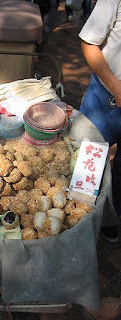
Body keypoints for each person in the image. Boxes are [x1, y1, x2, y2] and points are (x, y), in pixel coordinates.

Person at [79, 0, 121, 242]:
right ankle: (85, 223)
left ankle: (110, 218)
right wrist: (116, 87)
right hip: (106, 100)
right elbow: (89, 43)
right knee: (88, 164)